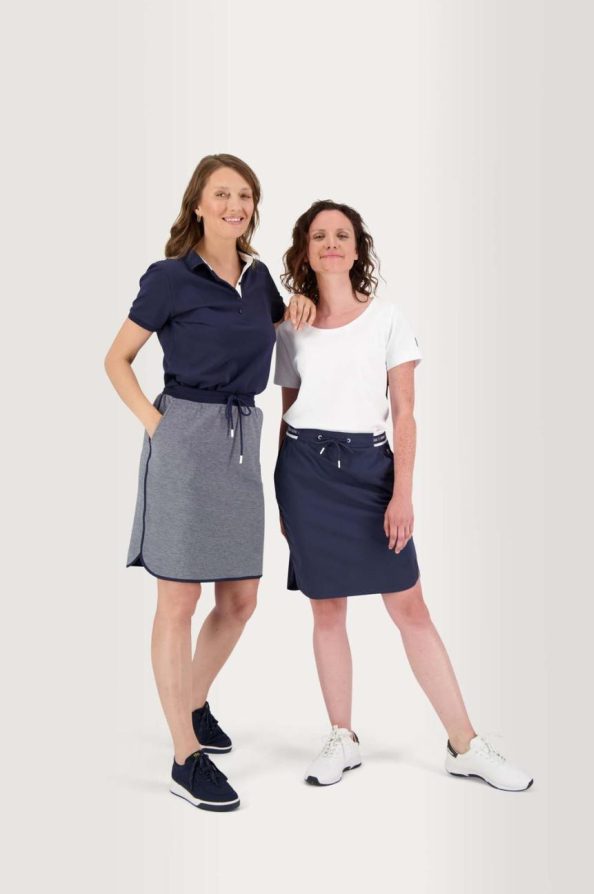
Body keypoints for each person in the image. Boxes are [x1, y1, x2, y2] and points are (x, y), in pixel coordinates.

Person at [274, 200, 533, 792]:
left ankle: (466, 744)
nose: (331, 243)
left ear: (357, 248)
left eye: (342, 235)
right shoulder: (291, 325)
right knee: (326, 609)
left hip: (371, 473)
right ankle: (342, 736)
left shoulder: (388, 318)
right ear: (306, 250)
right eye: (320, 236)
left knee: (410, 608)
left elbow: (405, 412)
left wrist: (403, 494)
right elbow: (286, 410)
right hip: (305, 473)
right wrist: (281, 493)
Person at [104, 154, 315, 812]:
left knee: (241, 599)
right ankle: (183, 756)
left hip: (241, 439)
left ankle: (190, 703)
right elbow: (117, 359)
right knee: (179, 600)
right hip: (185, 436)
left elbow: (278, 333)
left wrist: (298, 307)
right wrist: (156, 425)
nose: (235, 205)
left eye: (245, 195)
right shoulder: (170, 277)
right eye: (222, 193)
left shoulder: (258, 279)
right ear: (197, 203)